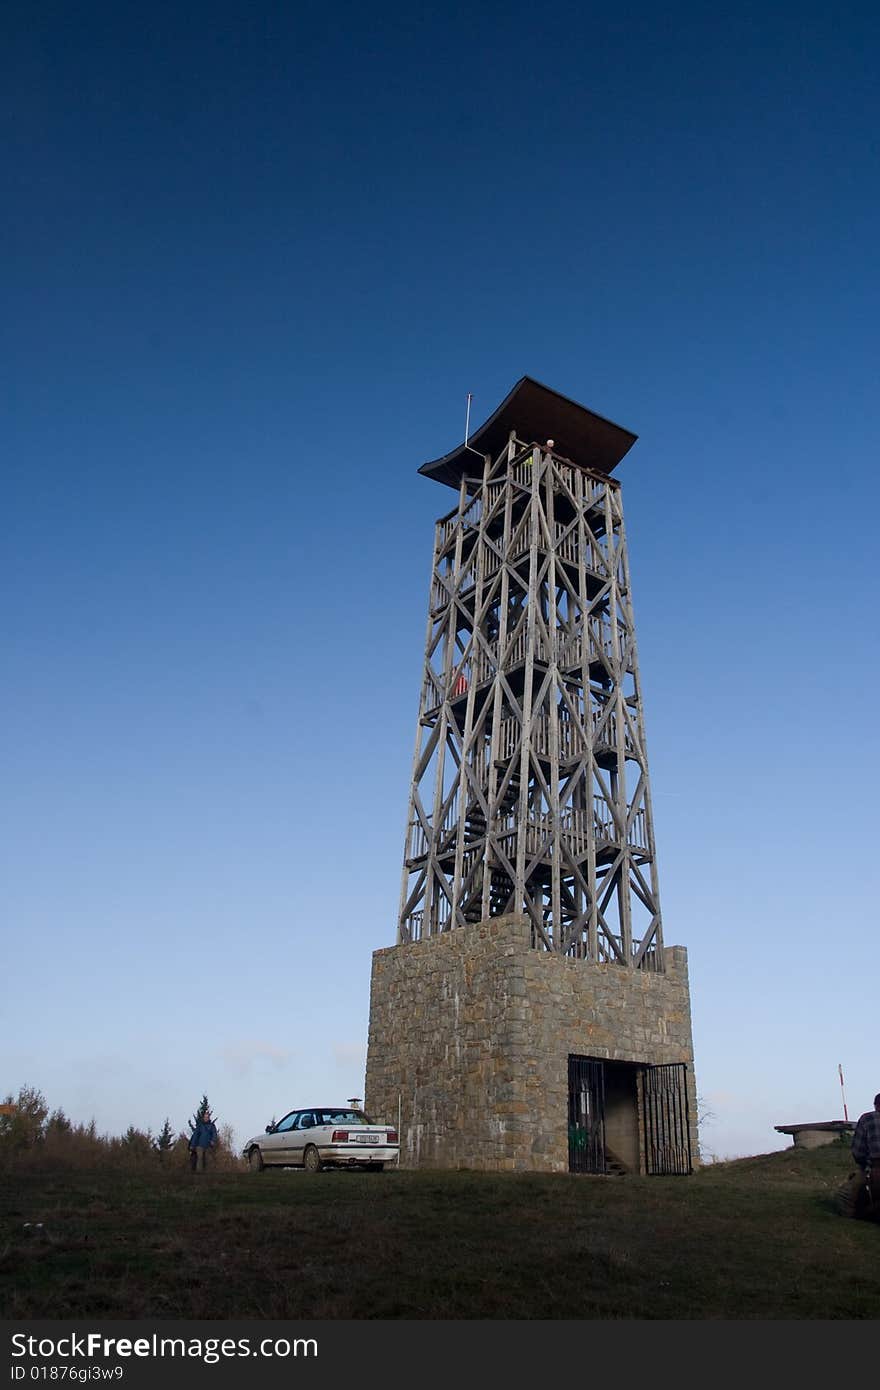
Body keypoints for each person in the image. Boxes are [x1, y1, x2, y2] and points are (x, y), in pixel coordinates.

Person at [838, 1093, 880, 1218]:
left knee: (843, 1197)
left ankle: (857, 1215)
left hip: (875, 1168)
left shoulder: (868, 1119)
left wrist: (865, 1166)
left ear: (876, 1105)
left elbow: (858, 1152)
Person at [189, 1108, 218, 1173]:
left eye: (207, 1117)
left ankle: (208, 1173)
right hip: (199, 1145)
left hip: (208, 1145)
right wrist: (192, 1145)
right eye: (205, 1117)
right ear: (203, 1118)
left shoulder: (212, 1126)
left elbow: (214, 1134)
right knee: (200, 1158)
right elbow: (195, 1136)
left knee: (208, 1159)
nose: (206, 1118)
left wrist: (213, 1141)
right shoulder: (200, 1126)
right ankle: (199, 1173)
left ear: (209, 1118)